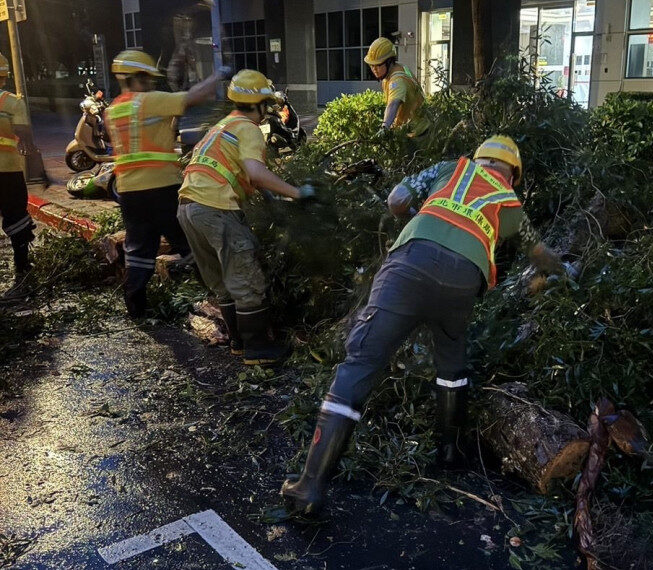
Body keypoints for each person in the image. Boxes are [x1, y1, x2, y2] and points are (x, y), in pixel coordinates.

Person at [281, 135, 525, 515]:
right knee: (451, 363)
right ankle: (449, 454)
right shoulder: (513, 207)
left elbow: (397, 199)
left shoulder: (451, 168)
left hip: (410, 265)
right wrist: (561, 272)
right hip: (464, 281)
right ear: (513, 173)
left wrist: (419, 221)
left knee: (362, 361)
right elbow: (537, 252)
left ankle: (309, 486)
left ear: (479, 159)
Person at [177, 69, 315, 365]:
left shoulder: (221, 127)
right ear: (258, 104)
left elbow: (244, 177)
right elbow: (256, 173)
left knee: (222, 282)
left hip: (188, 208)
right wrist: (297, 193)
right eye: (266, 103)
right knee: (246, 276)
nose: (268, 111)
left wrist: (273, 197)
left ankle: (238, 342)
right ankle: (258, 349)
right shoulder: (249, 129)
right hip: (215, 209)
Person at [104, 50, 226, 319]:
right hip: (161, 187)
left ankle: (136, 308)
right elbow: (194, 97)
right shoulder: (147, 102)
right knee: (190, 242)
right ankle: (219, 299)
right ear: (136, 77)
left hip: (128, 191)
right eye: (147, 79)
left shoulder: (113, 110)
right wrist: (219, 75)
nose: (151, 84)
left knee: (138, 248)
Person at [0, 52, 35, 299]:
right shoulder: (11, 102)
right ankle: (22, 268)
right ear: (4, 77)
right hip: (7, 170)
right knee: (16, 216)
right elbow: (23, 131)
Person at [363, 37, 430, 138]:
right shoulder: (401, 67)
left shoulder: (397, 81)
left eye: (378, 65)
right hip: (421, 126)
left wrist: (385, 128)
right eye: (372, 66)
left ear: (389, 61)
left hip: (417, 133)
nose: (374, 69)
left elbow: (394, 103)